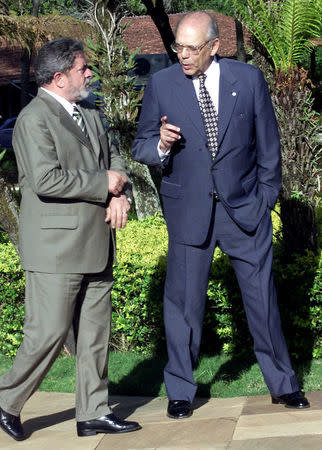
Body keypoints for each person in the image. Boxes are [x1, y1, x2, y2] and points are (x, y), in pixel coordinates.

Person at [132, 11, 309, 419]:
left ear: (215, 46)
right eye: (178, 46)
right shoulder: (162, 83)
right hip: (188, 213)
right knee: (183, 306)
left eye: (192, 48)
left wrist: (265, 198)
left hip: (245, 210)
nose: (182, 55)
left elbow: (268, 145)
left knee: (262, 301)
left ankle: (283, 384)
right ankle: (181, 390)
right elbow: (141, 146)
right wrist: (159, 143)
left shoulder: (247, 80)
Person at [0, 37, 141, 441]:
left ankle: (93, 412)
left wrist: (120, 195)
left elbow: (115, 158)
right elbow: (45, 179)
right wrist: (102, 183)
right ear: (58, 77)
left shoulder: (91, 112)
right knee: (49, 335)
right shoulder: (33, 119)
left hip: (98, 242)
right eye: (82, 68)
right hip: (56, 250)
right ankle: (6, 397)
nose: (89, 73)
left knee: (95, 336)